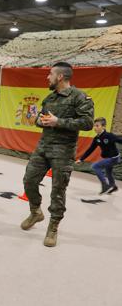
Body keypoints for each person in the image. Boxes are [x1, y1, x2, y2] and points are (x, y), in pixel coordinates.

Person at [21, 62, 94, 247]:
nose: (48, 77)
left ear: (60, 77)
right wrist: (39, 120)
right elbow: (44, 119)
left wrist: (58, 121)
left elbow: (87, 123)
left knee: (58, 190)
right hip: (43, 147)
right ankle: (36, 211)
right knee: (29, 181)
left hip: (63, 150)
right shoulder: (49, 98)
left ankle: (53, 227)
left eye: (50, 74)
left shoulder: (79, 97)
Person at [76, 117, 122, 195]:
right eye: (94, 126)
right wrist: (81, 159)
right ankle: (113, 186)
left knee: (95, 166)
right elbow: (90, 150)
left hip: (114, 158)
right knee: (108, 173)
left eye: (97, 126)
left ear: (103, 127)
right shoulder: (96, 138)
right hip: (108, 158)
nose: (95, 128)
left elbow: (120, 140)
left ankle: (105, 185)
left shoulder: (109, 136)